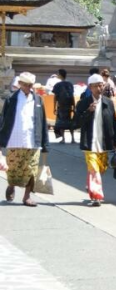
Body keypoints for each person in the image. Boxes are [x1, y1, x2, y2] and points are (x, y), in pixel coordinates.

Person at [1, 72, 49, 207]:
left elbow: (42, 121)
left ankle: (27, 197)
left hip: (32, 140)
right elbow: (3, 120)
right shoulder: (11, 99)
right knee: (13, 168)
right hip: (14, 140)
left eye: (31, 85)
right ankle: (11, 185)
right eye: (26, 85)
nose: (29, 88)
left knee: (32, 170)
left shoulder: (38, 100)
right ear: (20, 84)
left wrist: (45, 143)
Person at [74, 74, 116, 206]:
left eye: (101, 85)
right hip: (89, 143)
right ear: (90, 87)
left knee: (101, 168)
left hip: (104, 142)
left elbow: (114, 123)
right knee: (94, 168)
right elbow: (77, 123)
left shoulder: (108, 103)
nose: (99, 88)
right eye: (96, 86)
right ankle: (97, 196)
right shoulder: (83, 103)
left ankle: (91, 184)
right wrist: (88, 111)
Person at [52, 69, 75, 143]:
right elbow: (72, 96)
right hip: (69, 106)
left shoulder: (57, 85)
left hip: (61, 106)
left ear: (60, 75)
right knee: (70, 122)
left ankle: (63, 138)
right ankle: (73, 139)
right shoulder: (70, 84)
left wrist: (54, 107)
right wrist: (74, 106)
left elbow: (55, 97)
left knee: (61, 122)